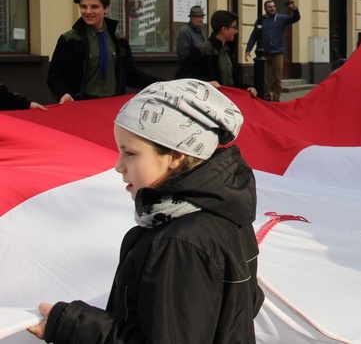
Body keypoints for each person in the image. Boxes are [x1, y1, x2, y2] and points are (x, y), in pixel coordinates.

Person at [27, 79, 264, 343]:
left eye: (130, 153)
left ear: (176, 155)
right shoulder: (226, 211)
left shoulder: (180, 243)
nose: (118, 165)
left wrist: (71, 325)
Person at [47, 0, 161, 104]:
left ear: (106, 8)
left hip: (113, 107)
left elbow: (131, 74)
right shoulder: (69, 40)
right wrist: (64, 93)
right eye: (83, 7)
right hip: (81, 107)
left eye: (94, 7)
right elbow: (55, 77)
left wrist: (161, 84)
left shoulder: (119, 40)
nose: (88, 11)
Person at [176, 10, 258, 97]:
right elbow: (182, 76)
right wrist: (206, 84)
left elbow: (232, 83)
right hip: (210, 103)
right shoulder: (201, 50)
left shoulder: (228, 50)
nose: (236, 31)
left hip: (227, 102)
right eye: (234, 27)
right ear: (223, 30)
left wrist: (247, 88)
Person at [245, 0, 301, 102]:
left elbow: (295, 18)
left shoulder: (281, 18)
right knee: (260, 76)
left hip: (277, 53)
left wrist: (294, 8)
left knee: (277, 78)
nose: (272, 8)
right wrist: (248, 50)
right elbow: (253, 36)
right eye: (270, 7)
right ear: (265, 9)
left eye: (274, 6)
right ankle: (267, 97)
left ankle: (276, 99)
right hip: (264, 54)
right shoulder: (260, 20)